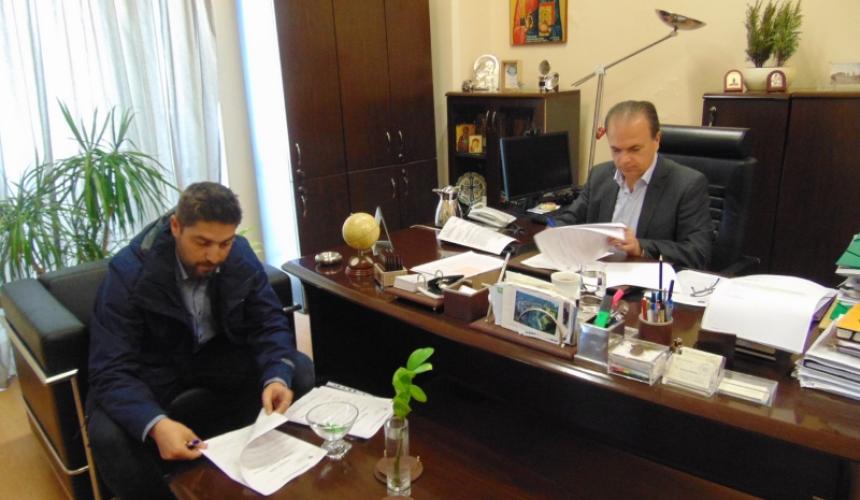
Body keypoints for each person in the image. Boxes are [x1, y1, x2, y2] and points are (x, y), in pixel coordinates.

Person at [87, 182, 314, 499]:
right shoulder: (128, 272)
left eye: (224, 243)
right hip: (155, 368)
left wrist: (276, 376)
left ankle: (262, 473)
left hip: (217, 355)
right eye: (202, 242)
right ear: (176, 226)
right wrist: (156, 424)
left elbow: (269, 323)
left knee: (296, 370)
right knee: (107, 434)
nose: (214, 255)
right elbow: (110, 368)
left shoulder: (238, 255)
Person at [553, 100, 713, 269]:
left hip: (646, 279)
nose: (624, 160)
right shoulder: (599, 176)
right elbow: (569, 219)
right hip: (597, 274)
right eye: (616, 150)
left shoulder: (687, 185)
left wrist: (640, 248)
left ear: (657, 140)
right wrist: (553, 234)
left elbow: (698, 252)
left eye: (634, 149)